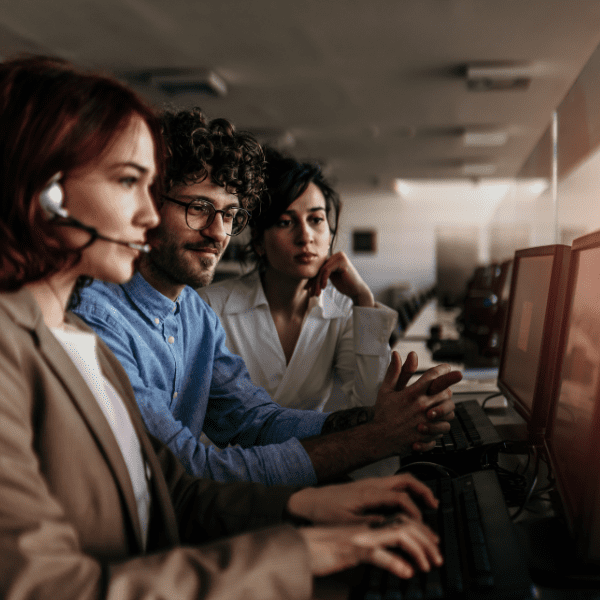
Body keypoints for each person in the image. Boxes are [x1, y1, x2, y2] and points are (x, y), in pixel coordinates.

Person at [0, 54, 445, 600]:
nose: (144, 217)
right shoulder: (58, 337)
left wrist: (302, 502)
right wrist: (295, 549)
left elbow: (175, 490)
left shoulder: (84, 338)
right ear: (45, 194)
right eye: (127, 182)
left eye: (230, 215)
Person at [74, 107, 461, 487]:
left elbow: (254, 420)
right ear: (147, 206)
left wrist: (381, 418)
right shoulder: (96, 320)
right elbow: (182, 470)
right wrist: (375, 437)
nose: (218, 232)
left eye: (229, 215)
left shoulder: (194, 315)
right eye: (199, 208)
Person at [199, 146, 397, 413]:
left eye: (316, 219)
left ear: (331, 232)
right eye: (285, 222)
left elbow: (370, 403)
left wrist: (363, 299)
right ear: (258, 240)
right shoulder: (210, 307)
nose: (306, 237)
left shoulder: (343, 311)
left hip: (312, 454)